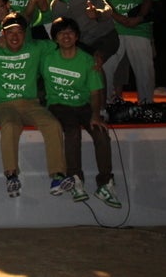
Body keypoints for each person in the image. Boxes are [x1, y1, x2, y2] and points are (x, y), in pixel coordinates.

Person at [0, 12, 73, 198]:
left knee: (53, 125)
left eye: (19, 32)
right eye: (10, 32)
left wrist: (95, 54)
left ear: (25, 33)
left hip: (29, 104)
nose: (15, 37)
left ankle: (58, 176)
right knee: (10, 125)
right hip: (1, 105)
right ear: (3, 33)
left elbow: (64, 42)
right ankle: (11, 175)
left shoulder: (36, 47)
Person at [41, 17, 121, 208]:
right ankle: (75, 179)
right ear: (55, 38)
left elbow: (95, 93)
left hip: (83, 106)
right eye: (61, 33)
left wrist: (95, 115)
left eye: (70, 32)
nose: (66, 36)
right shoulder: (47, 58)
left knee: (101, 133)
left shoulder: (88, 61)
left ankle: (105, 184)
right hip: (58, 104)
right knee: (72, 132)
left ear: (77, 36)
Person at [97, 0, 160, 105]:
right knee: (105, 68)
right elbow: (103, 1)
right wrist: (121, 19)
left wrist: (138, 18)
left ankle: (146, 106)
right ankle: (106, 106)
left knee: (145, 71)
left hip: (140, 29)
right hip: (114, 29)